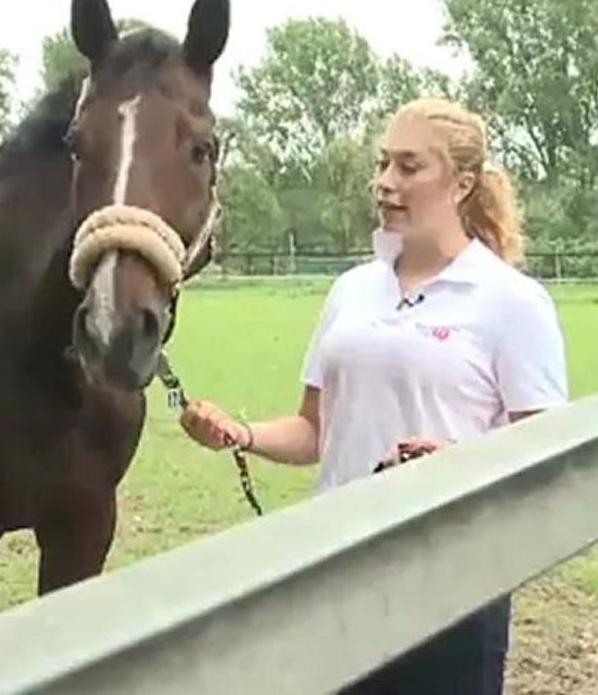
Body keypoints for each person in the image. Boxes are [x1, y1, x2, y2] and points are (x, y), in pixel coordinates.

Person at [179, 96, 569, 694]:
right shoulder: (352, 290)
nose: (385, 182)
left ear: (463, 184)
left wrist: (460, 466)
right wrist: (242, 433)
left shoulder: (511, 301)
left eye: (409, 166)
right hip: (338, 570)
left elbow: (546, 462)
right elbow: (316, 430)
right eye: (383, 163)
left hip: (453, 583)